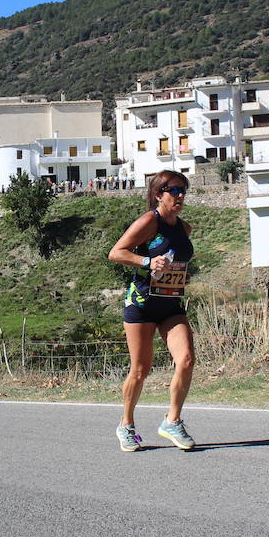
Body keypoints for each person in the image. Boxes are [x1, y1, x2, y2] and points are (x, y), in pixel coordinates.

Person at [107, 171, 197, 452]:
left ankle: (172, 421)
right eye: (174, 190)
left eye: (184, 190)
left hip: (170, 303)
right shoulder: (149, 221)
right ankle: (126, 425)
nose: (180, 195)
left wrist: (183, 275)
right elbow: (116, 252)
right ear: (159, 194)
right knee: (140, 370)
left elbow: (178, 262)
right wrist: (147, 261)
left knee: (186, 360)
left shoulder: (184, 228)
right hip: (142, 304)